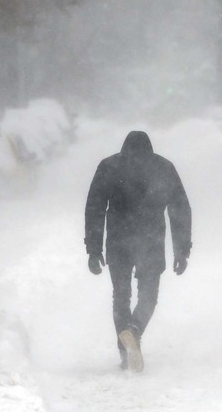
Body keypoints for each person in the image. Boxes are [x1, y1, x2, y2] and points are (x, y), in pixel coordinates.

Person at [84, 131, 192, 372]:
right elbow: (179, 209)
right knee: (148, 296)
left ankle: (125, 353)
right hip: (150, 240)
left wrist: (93, 249)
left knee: (121, 296)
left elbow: (95, 208)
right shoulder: (164, 168)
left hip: (118, 241)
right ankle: (134, 330)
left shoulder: (109, 166)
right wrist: (181, 250)